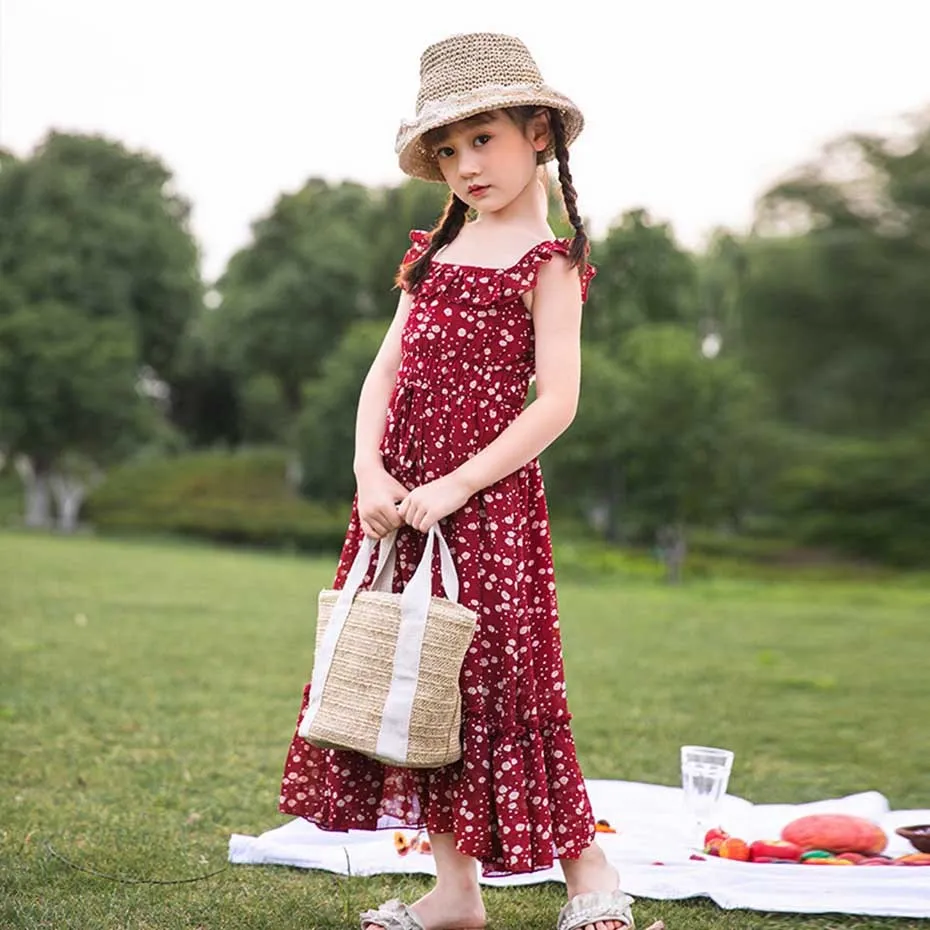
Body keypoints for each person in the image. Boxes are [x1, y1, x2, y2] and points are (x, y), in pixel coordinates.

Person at [280, 32, 659, 930]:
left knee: (505, 682)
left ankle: (592, 877)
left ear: (536, 133)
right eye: (447, 151)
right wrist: (369, 471)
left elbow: (556, 403)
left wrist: (456, 484)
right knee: (417, 686)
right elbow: (383, 377)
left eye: (481, 139)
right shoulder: (432, 259)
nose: (464, 165)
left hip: (486, 507)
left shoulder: (551, 266)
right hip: (398, 504)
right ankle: (456, 893)